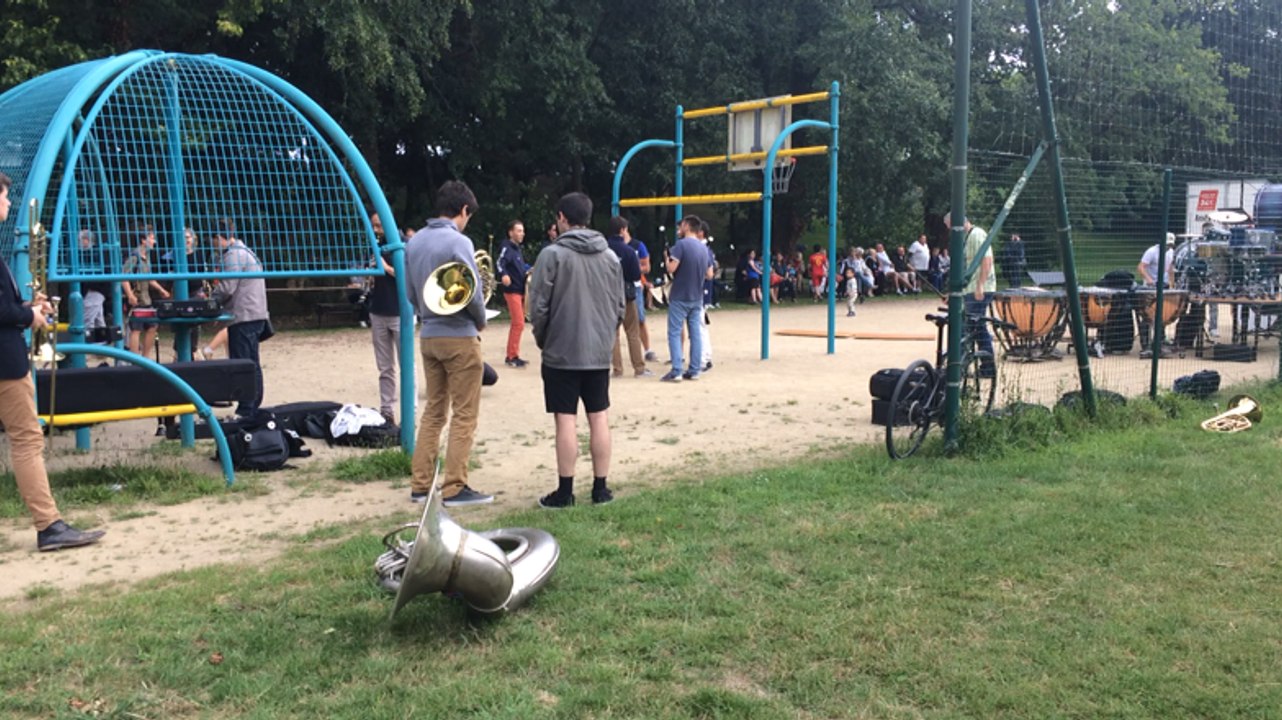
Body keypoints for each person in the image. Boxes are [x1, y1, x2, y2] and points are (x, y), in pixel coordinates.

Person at [0, 173, 105, 550]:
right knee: (27, 440)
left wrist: (26, 307)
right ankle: (49, 526)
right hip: (5, 365)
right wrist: (28, 317)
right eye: (5, 196)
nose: (9, 204)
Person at [528, 192, 625, 508]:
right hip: (598, 351)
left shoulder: (552, 255)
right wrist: (605, 337)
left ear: (561, 217)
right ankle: (601, 489)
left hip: (561, 350)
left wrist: (544, 339)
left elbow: (539, 305)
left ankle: (565, 491)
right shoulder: (610, 257)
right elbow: (620, 306)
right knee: (599, 416)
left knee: (565, 419)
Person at [405, 180, 493, 507]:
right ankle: (455, 487)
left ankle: (420, 485)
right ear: (464, 210)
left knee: (434, 411)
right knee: (465, 413)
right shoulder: (459, 242)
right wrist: (481, 319)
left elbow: (411, 293)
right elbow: (471, 290)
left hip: (428, 334)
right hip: (459, 335)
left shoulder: (413, 243)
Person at [210, 218, 271, 420]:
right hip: (255, 313)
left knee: (243, 362)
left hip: (244, 315)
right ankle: (252, 404)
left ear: (219, 237)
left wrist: (212, 301)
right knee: (252, 361)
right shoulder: (246, 251)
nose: (214, 245)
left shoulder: (234, 255)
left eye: (214, 240)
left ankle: (247, 408)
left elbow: (228, 286)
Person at [946, 212, 996, 378]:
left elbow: (987, 260)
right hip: (970, 290)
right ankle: (984, 367)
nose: (950, 232)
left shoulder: (977, 234)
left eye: (950, 228)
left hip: (980, 289)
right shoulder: (966, 238)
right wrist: (953, 294)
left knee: (969, 327)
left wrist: (980, 286)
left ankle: (964, 367)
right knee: (977, 327)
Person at [661, 215, 711, 382]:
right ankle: (695, 369)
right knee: (695, 333)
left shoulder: (680, 246)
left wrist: (667, 259)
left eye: (681, 225)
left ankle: (677, 370)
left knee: (674, 332)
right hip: (696, 296)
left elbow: (671, 269)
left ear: (687, 226)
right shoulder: (704, 249)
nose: (679, 228)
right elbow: (709, 274)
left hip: (680, 295)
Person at [366, 208, 402, 424]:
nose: (376, 230)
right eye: (373, 225)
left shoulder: (402, 244)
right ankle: (386, 409)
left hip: (399, 311)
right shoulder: (373, 246)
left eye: (379, 225)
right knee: (385, 366)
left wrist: (384, 267)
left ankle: (410, 410)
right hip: (377, 310)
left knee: (406, 364)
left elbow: (405, 274)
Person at [606, 216, 649, 378]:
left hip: (608, 295)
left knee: (613, 333)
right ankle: (639, 368)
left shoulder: (603, 249)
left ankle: (617, 369)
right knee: (632, 331)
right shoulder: (629, 251)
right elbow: (636, 275)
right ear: (623, 230)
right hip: (627, 294)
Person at [122, 225, 170, 356]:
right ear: (144, 240)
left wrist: (161, 289)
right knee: (136, 329)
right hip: (137, 299)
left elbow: (148, 277)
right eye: (152, 238)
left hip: (146, 298)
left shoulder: (146, 256)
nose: (154, 241)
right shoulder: (134, 257)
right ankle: (135, 358)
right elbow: (123, 276)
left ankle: (146, 356)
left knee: (152, 326)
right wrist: (130, 295)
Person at [497, 219, 532, 368]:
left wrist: (529, 269)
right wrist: (503, 274)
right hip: (512, 291)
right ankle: (512, 356)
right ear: (510, 232)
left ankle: (513, 354)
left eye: (522, 231)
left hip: (520, 289)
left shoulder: (517, 249)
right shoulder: (507, 247)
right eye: (518, 231)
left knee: (518, 323)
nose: (522, 233)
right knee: (518, 323)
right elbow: (499, 263)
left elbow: (519, 267)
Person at [1136, 232, 1177, 349]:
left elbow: (1170, 269)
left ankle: (1160, 340)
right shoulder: (1152, 251)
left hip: (1164, 286)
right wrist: (1149, 280)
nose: (1168, 247)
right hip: (1151, 287)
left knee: (1163, 314)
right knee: (1147, 314)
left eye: (1170, 245)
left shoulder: (1171, 253)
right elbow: (1141, 267)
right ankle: (1145, 343)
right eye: (1167, 244)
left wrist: (1172, 284)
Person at [628, 230, 657, 361]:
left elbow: (647, 267)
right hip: (619, 285)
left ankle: (647, 349)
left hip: (636, 286)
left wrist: (634, 268)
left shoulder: (638, 245)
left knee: (640, 319)